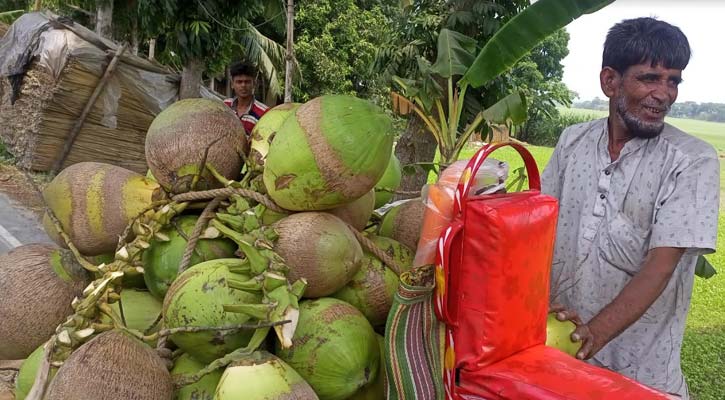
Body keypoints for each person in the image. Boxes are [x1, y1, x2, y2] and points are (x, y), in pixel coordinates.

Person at [541, 17, 719, 399]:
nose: (664, 93)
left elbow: (661, 265)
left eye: (674, 80)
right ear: (610, 81)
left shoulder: (691, 161)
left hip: (640, 372)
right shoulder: (573, 141)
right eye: (650, 78)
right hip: (557, 356)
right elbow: (539, 228)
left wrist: (593, 333)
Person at [224, 62, 269, 135]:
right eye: (239, 82)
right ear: (232, 84)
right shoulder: (225, 105)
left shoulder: (264, 113)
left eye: (247, 82)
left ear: (254, 84)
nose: (243, 85)